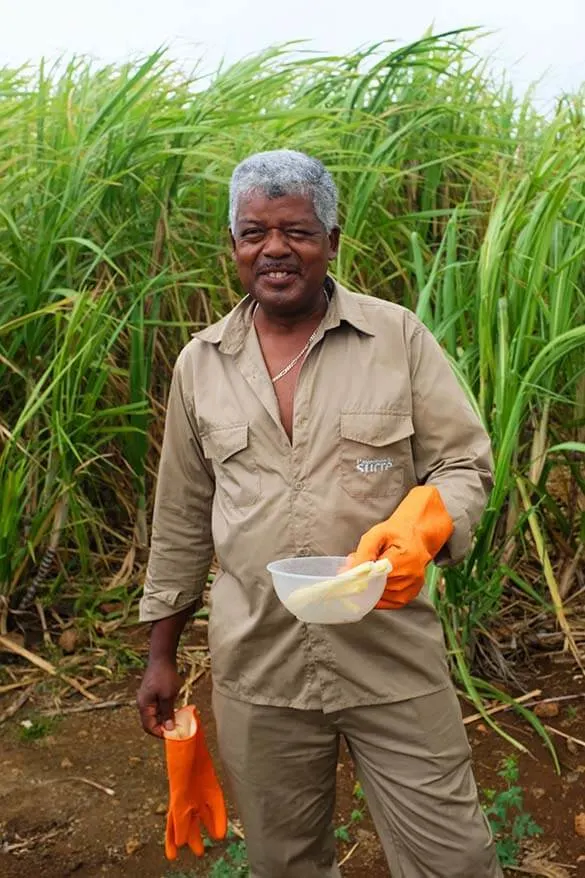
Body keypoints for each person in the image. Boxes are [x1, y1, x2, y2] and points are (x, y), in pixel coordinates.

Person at [137, 149, 502, 878]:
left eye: (298, 231)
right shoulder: (200, 365)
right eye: (253, 233)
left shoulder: (394, 337)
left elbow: (463, 464)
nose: (274, 249)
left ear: (332, 241)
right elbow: (180, 513)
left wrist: (423, 525)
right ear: (234, 247)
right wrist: (160, 653)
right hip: (259, 663)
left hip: (389, 653)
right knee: (284, 861)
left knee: (451, 857)